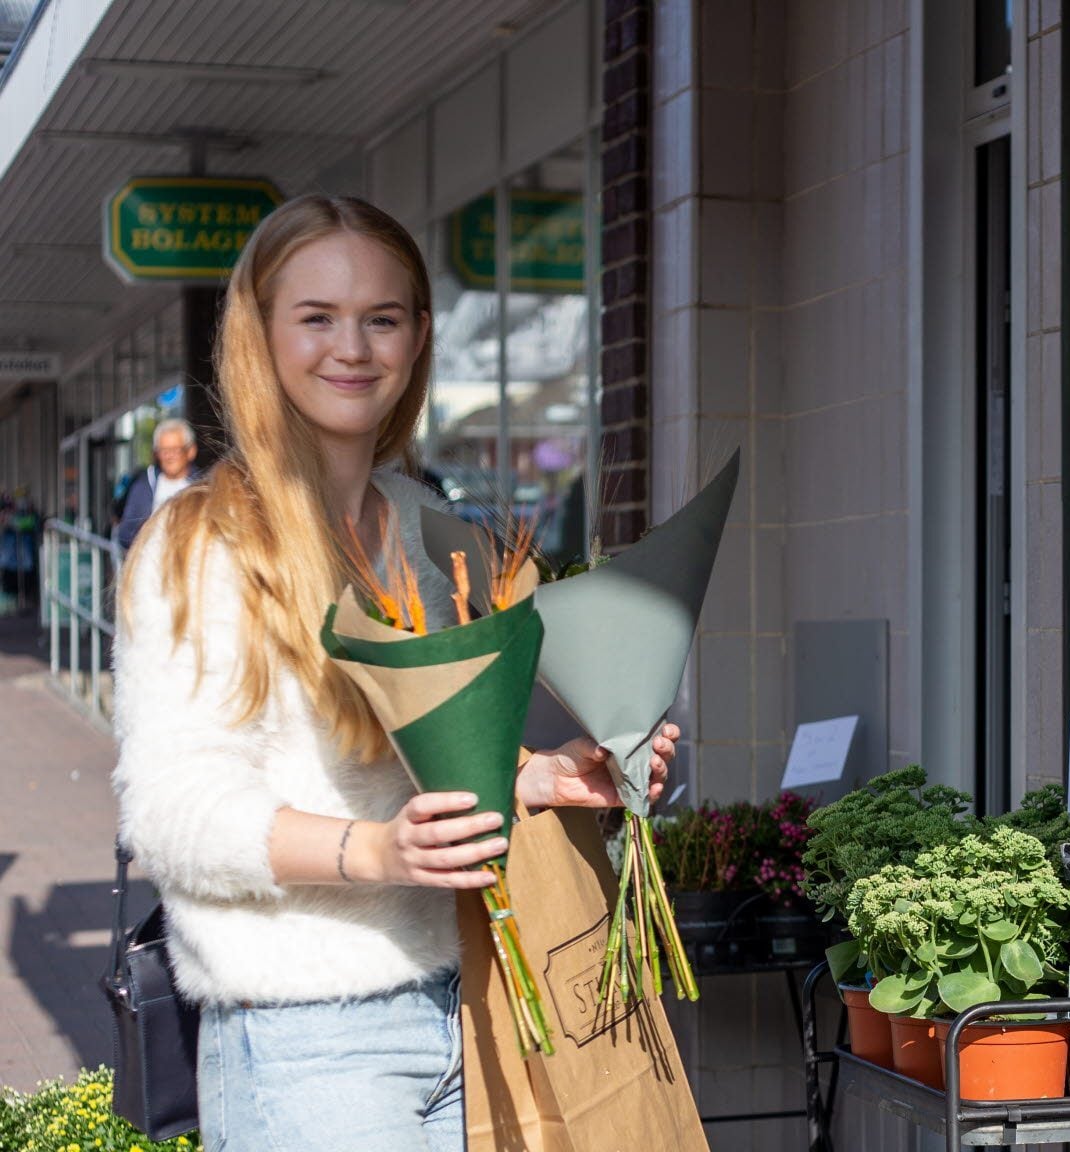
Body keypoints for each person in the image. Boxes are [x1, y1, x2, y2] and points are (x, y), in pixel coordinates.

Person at [111, 194, 679, 1152]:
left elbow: (426, 767)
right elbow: (171, 812)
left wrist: (540, 778)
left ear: (418, 336)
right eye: (317, 317)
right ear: (259, 333)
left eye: (381, 318)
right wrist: (375, 852)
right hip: (307, 1044)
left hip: (475, 1009)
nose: (353, 347)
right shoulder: (202, 542)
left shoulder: (429, 527)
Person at [114, 418, 201, 550]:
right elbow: (124, 534)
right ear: (156, 454)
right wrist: (143, 531)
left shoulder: (203, 487)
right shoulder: (143, 485)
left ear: (191, 451)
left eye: (176, 450)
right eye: (164, 450)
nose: (170, 456)